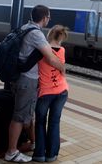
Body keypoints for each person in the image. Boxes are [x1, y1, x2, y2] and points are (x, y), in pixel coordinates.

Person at [5, 5, 65, 163]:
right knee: (19, 116)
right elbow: (51, 58)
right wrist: (62, 68)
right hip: (27, 80)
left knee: (26, 114)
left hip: (20, 77)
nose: (49, 20)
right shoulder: (36, 34)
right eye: (49, 17)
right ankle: (11, 151)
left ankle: (34, 143)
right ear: (45, 18)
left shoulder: (25, 27)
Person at [33, 25, 69, 163]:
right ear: (61, 37)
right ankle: (51, 155)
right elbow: (62, 70)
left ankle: (39, 154)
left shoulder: (41, 49)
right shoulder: (62, 50)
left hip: (45, 92)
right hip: (61, 91)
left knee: (40, 122)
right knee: (54, 122)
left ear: (49, 34)